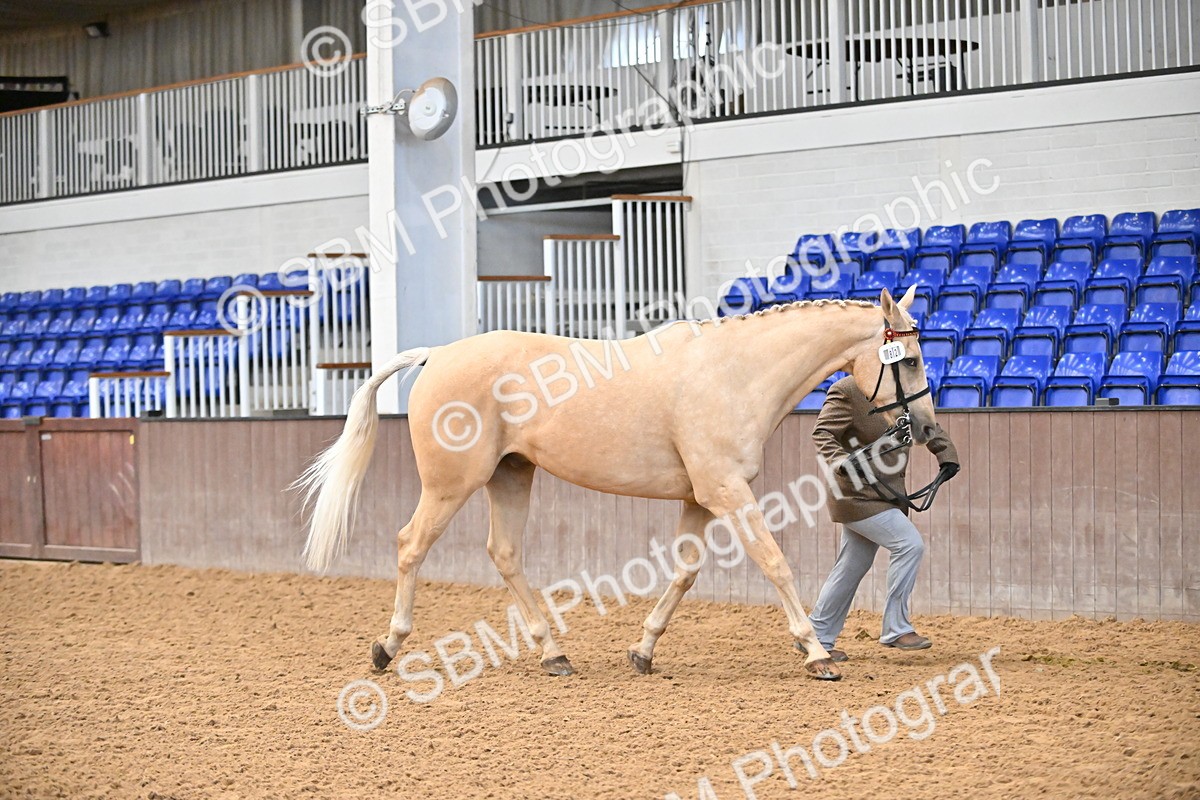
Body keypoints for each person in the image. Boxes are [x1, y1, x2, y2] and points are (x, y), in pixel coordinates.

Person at [802, 375, 959, 661]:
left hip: (885, 494)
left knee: (851, 566)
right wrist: (840, 462)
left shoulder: (903, 388)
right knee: (909, 544)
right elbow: (822, 433)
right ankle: (896, 629)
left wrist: (945, 453)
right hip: (855, 495)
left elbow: (924, 421)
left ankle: (816, 635)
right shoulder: (848, 389)